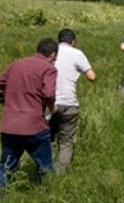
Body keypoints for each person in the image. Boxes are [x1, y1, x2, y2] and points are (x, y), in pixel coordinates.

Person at [0, 38, 58, 199]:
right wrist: (53, 109)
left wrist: (5, 101)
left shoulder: (16, 64)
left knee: (4, 168)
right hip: (34, 126)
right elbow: (48, 94)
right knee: (45, 168)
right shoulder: (49, 68)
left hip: (9, 126)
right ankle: (52, 197)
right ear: (53, 54)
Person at [49, 29, 96, 174]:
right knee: (66, 142)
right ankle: (58, 175)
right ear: (73, 42)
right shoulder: (77, 53)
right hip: (69, 103)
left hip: (49, 102)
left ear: (59, 40)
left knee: (48, 137)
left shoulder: (51, 53)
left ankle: (43, 171)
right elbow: (92, 76)